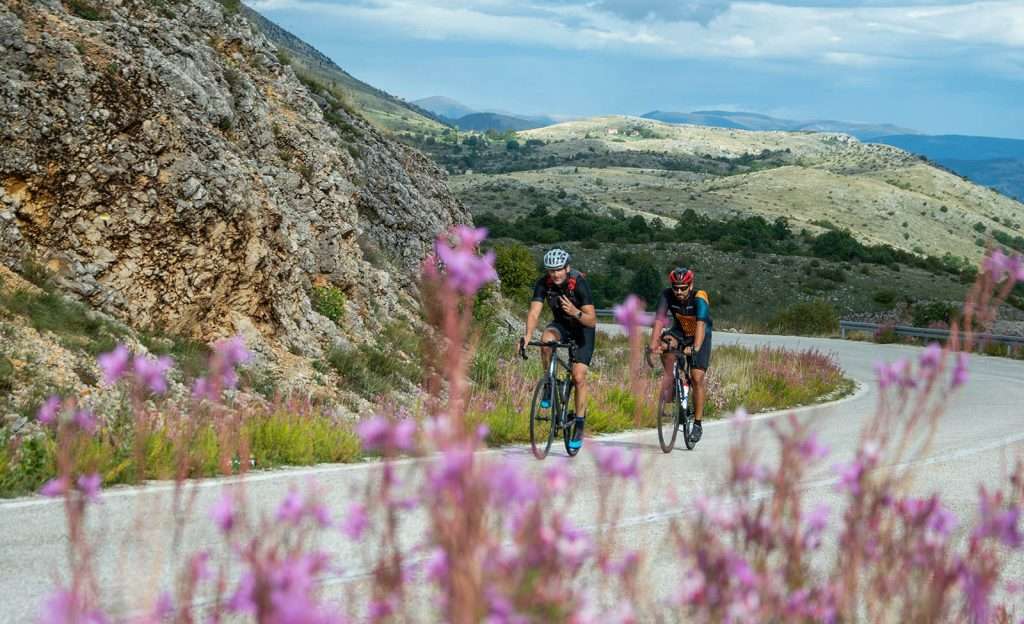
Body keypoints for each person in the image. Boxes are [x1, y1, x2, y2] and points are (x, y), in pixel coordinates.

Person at [520, 248, 597, 450]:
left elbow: (592, 320)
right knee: (546, 341)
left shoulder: (579, 283)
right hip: (561, 326)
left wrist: (575, 312)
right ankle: (549, 382)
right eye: (551, 270)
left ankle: (579, 423)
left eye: (559, 270)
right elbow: (534, 312)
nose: (555, 274)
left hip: (582, 330)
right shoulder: (543, 284)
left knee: (578, 377)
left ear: (567, 268)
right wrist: (527, 336)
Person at [649, 266, 712, 444]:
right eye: (675, 287)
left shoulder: (700, 297)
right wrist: (654, 344)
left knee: (697, 377)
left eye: (683, 287)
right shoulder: (667, 295)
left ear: (690, 286)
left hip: (700, 335)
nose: (678, 291)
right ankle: (673, 379)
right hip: (680, 332)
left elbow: (700, 324)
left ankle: (698, 424)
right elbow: (659, 321)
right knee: (664, 344)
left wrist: (695, 348)